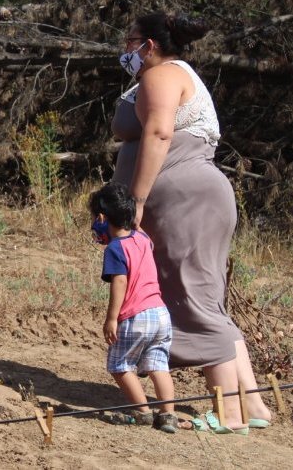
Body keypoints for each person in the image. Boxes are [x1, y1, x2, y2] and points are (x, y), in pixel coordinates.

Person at [111, 12, 271, 434]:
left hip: (185, 202)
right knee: (205, 298)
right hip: (191, 201)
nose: (125, 49)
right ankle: (251, 404)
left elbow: (160, 133)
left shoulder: (162, 74)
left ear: (149, 44)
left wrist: (137, 201)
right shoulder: (168, 74)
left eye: (130, 41)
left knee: (194, 298)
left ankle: (228, 414)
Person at [90, 183, 177, 434]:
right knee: (157, 364)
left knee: (120, 365)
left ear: (102, 218)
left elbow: (120, 281)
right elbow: (137, 230)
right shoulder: (143, 238)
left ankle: (142, 412)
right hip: (160, 313)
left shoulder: (115, 249)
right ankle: (168, 415)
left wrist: (112, 318)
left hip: (135, 315)